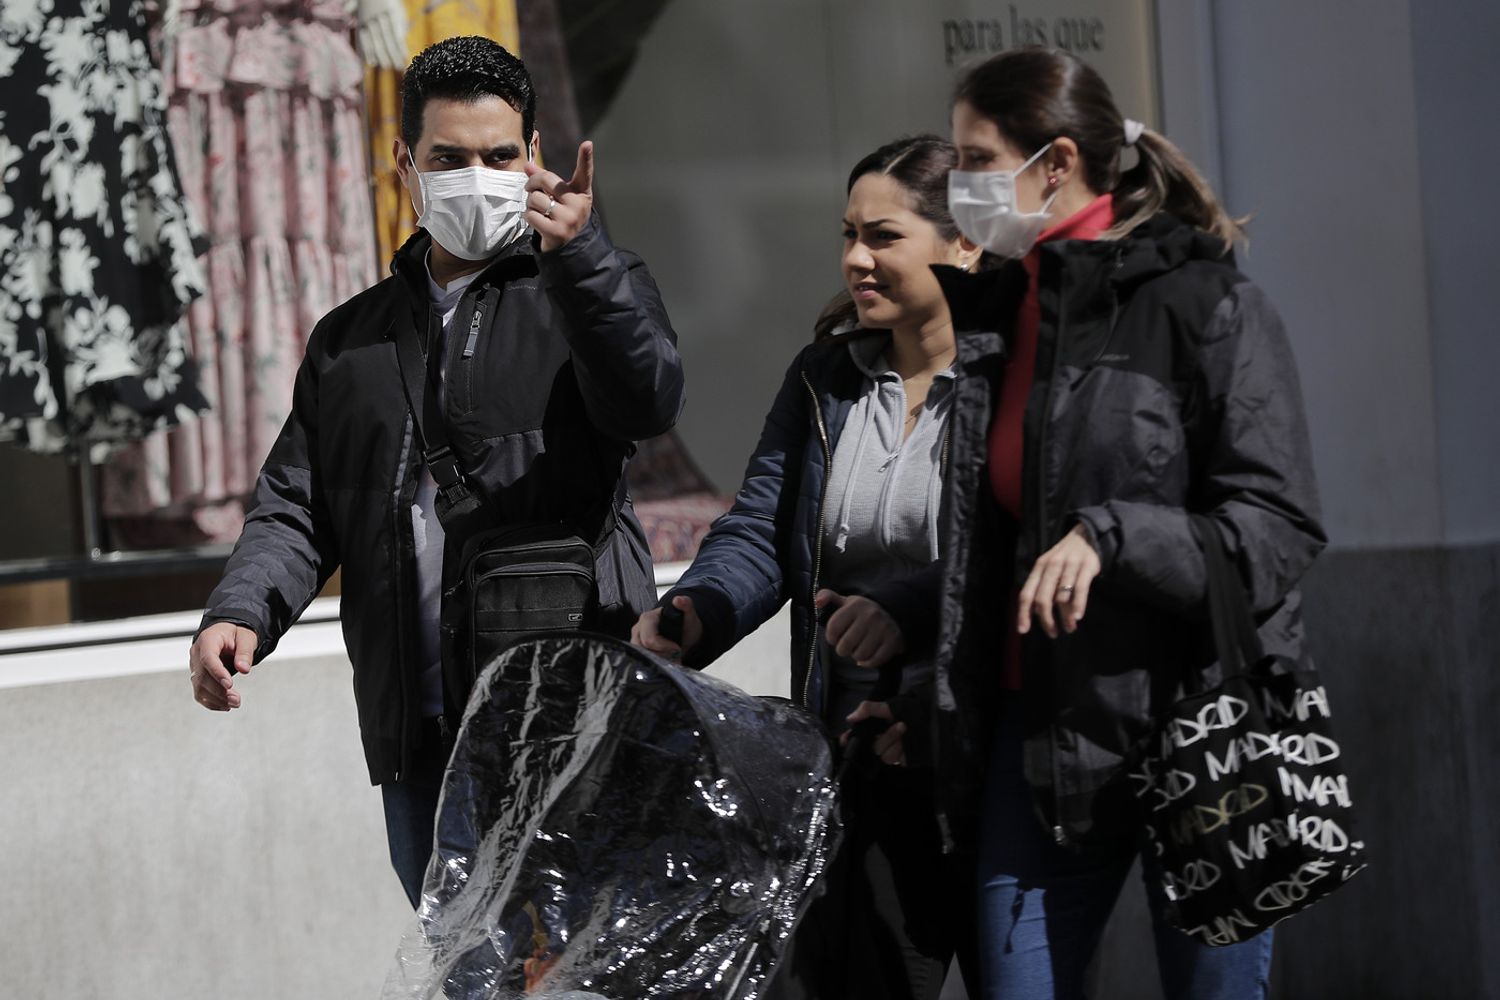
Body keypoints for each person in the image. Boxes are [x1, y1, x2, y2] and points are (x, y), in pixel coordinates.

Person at [186, 35, 684, 908]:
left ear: (534, 156)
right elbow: (299, 505)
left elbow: (646, 401)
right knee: (461, 969)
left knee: (571, 966)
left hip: (560, 717)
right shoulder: (352, 339)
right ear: (404, 163)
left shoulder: (585, 288)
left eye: (499, 156)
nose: (476, 177)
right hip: (417, 734)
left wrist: (582, 263)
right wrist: (240, 612)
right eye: (448, 158)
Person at [924, 47, 1326, 999]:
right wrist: (903, 610)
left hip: (1200, 730)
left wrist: (1112, 534)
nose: (962, 187)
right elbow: (1001, 540)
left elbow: (1276, 528)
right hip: (1040, 739)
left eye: (978, 160)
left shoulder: (1207, 306)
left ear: (1054, 163)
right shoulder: (999, 314)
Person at [633, 135, 982, 1000]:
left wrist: (912, 618)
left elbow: (1008, 557)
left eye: (885, 237)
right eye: (848, 234)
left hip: (979, 745)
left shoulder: (1013, 380)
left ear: (965, 244)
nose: (856, 259)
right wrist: (697, 613)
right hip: (853, 748)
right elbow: (761, 526)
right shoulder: (826, 375)